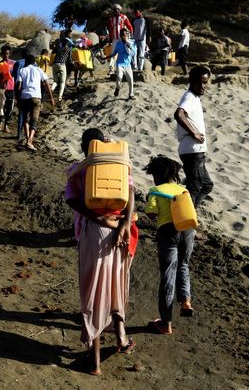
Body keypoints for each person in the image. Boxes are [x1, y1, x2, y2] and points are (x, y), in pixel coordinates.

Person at [65, 128, 138, 376]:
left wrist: (97, 217)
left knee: (94, 294)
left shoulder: (79, 168)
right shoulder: (119, 165)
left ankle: (94, 363)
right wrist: (125, 225)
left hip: (94, 233)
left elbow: (71, 200)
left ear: (85, 146)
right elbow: (131, 192)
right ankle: (121, 338)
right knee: (117, 285)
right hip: (121, 234)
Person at [144, 155, 196, 335]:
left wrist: (150, 202)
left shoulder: (155, 189)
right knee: (183, 265)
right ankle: (186, 301)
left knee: (168, 273)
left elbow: (151, 213)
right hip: (188, 230)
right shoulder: (183, 190)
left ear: (157, 175)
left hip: (167, 232)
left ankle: (165, 323)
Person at [174, 66, 213, 209]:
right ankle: (183, 221)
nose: (203, 86)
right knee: (195, 187)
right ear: (191, 81)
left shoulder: (194, 97)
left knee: (206, 185)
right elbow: (179, 114)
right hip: (192, 151)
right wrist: (193, 133)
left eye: (205, 83)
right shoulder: (189, 97)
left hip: (196, 151)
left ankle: (189, 215)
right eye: (200, 82)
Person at [15, 54, 55, 151]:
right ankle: (29, 141)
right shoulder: (39, 70)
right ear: (34, 62)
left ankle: (28, 139)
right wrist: (51, 98)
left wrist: (18, 98)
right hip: (36, 96)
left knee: (26, 119)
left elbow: (19, 85)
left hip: (25, 96)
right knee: (34, 120)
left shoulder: (22, 70)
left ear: (26, 62)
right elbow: (46, 84)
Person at [107, 28, 136, 99]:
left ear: (127, 35)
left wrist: (128, 44)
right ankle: (117, 88)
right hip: (119, 63)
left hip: (128, 65)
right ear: (120, 35)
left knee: (131, 80)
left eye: (125, 35)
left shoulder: (131, 42)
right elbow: (115, 52)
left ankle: (131, 95)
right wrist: (108, 56)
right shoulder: (118, 44)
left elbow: (134, 53)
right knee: (119, 77)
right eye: (122, 35)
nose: (124, 36)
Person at [0, 45, 17, 133]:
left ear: (9, 54)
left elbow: (16, 74)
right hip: (1, 89)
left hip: (11, 89)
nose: (6, 55)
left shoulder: (13, 64)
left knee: (10, 108)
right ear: (2, 54)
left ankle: (6, 124)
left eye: (7, 54)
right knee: (1, 107)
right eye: (4, 54)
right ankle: (0, 123)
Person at [107, 4, 133, 76]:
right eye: (114, 10)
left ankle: (129, 66)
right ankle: (111, 69)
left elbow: (129, 26)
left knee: (127, 51)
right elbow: (110, 29)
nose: (115, 11)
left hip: (123, 38)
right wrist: (110, 38)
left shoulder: (124, 17)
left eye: (116, 10)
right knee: (113, 53)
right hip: (115, 38)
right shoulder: (111, 19)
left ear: (119, 10)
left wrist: (131, 35)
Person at [51, 30, 74, 102]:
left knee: (55, 81)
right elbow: (69, 58)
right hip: (62, 65)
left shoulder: (58, 48)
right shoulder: (68, 48)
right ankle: (60, 97)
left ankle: (51, 89)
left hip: (55, 64)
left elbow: (53, 52)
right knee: (62, 82)